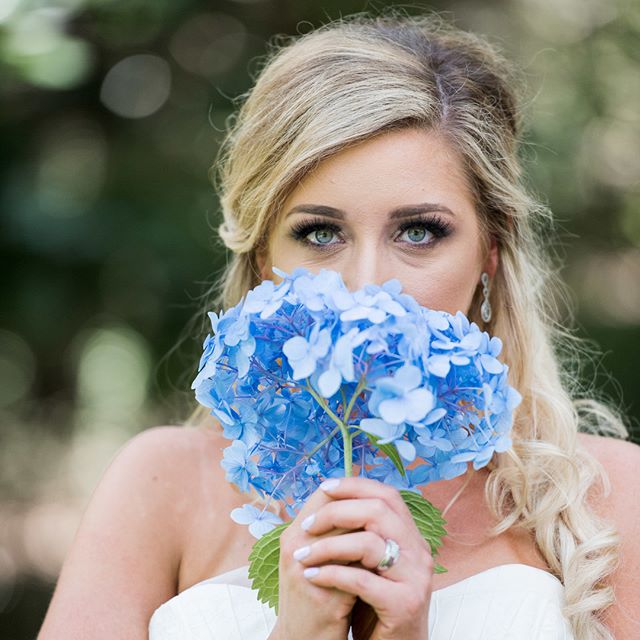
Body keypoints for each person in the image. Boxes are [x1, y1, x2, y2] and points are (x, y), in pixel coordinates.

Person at [38, 10, 639, 640]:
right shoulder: (161, 487)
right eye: (320, 234)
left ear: (490, 252)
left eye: (419, 232)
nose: (367, 285)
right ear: (264, 256)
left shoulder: (606, 502)